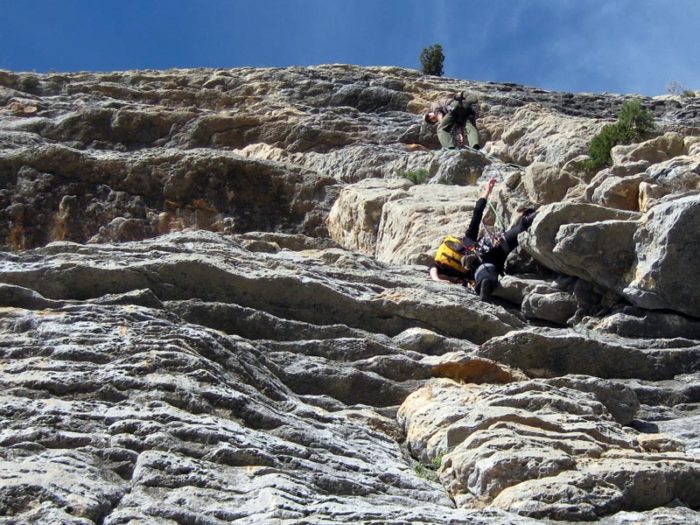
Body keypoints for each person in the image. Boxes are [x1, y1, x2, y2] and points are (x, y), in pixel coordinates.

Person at [429, 178, 536, 300]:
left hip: (484, 264)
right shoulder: (468, 239)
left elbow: (432, 268)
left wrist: (437, 279)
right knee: (520, 228)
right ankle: (535, 216)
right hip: (497, 247)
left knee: (487, 277)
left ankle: (484, 289)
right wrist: (487, 191)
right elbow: (477, 213)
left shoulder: (444, 263)